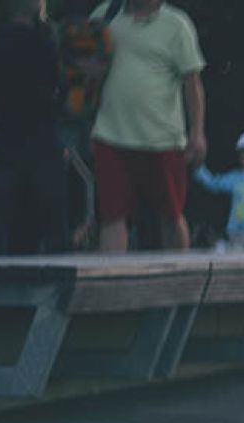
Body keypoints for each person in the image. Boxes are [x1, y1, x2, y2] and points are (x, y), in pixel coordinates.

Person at [89, 0, 206, 252]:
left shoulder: (177, 24)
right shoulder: (104, 15)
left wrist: (197, 133)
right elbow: (81, 64)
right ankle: (111, 284)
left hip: (162, 138)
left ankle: (180, 282)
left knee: (171, 214)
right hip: (110, 133)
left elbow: (192, 82)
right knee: (112, 216)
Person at [0, 0, 67, 255]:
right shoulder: (43, 44)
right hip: (40, 135)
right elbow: (57, 86)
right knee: (49, 209)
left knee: (1, 210)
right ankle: (55, 265)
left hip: (4, 135)